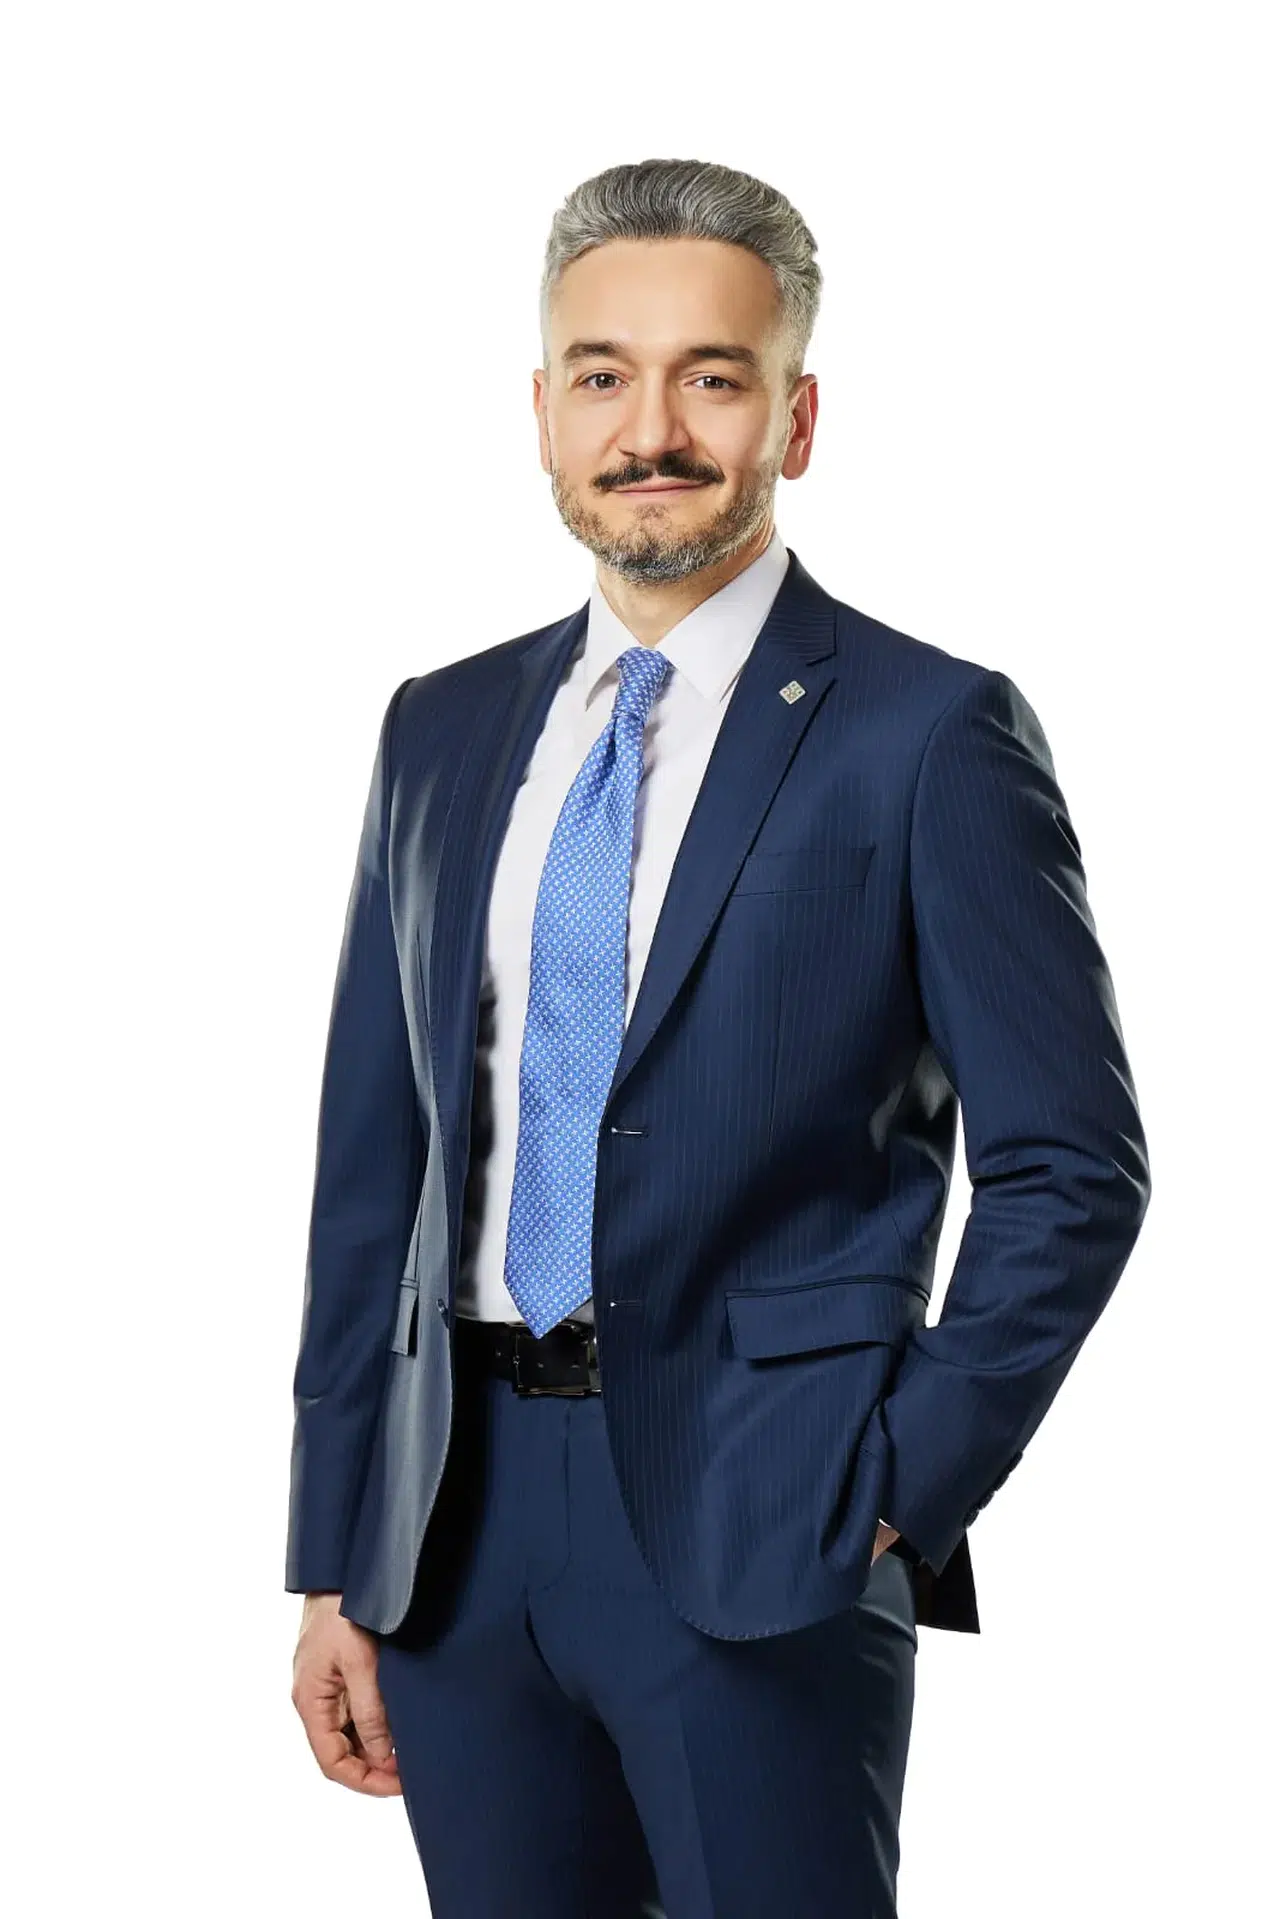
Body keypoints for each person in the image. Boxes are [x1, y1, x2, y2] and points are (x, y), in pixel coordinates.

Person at [286, 156, 1150, 1917]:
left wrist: (893, 1487)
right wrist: (331, 1551)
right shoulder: (439, 729)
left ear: (796, 418)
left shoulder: (930, 733)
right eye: (603, 374)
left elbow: (1074, 1168)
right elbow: (374, 1170)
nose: (652, 431)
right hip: (451, 1533)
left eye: (713, 376)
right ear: (543, 413)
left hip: (770, 1517)